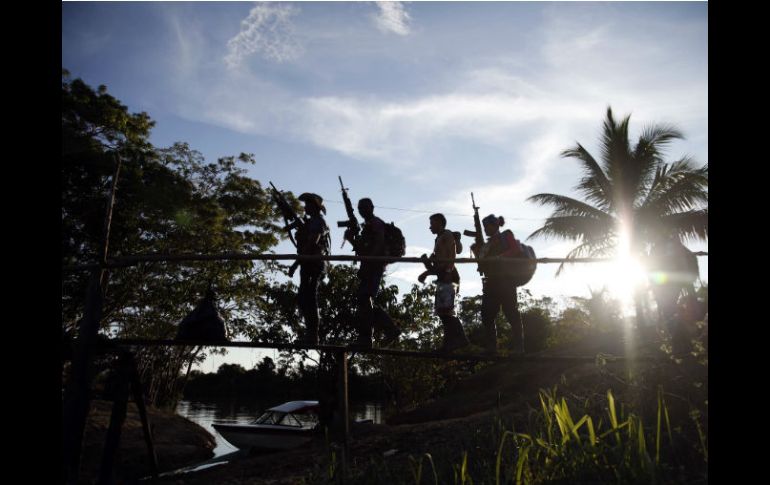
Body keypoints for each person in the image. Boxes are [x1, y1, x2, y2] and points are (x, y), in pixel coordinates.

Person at [344, 198, 401, 348]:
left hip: (374, 266)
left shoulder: (376, 223)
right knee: (363, 301)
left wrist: (370, 260)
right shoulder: (368, 226)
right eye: (360, 208)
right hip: (369, 265)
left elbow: (379, 243)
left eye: (364, 207)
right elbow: (363, 249)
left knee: (365, 298)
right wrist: (351, 240)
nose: (362, 210)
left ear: (371, 207)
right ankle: (386, 330)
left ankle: (369, 337)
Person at [471, 214, 525, 355]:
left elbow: (516, 250)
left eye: (487, 227)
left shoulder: (506, 235)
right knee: (487, 314)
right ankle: (492, 348)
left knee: (511, 313)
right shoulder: (487, 245)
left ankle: (519, 347)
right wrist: (477, 251)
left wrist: (499, 257)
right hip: (491, 282)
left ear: (495, 225)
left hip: (506, 280)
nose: (485, 230)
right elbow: (482, 264)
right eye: (484, 227)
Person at [418, 213, 470, 352]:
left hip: (449, 276)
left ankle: (460, 339)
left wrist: (447, 271)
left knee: (446, 311)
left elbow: (452, 255)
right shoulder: (439, 238)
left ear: (440, 223)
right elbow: (439, 264)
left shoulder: (447, 235)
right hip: (444, 275)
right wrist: (428, 267)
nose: (430, 227)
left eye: (432, 223)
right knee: (442, 311)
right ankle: (448, 343)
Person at [648, 233, 699, 355]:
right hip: (669, 281)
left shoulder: (665, 247)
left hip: (671, 281)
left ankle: (682, 344)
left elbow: (652, 270)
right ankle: (682, 344)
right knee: (669, 310)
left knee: (669, 310)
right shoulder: (662, 247)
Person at [294, 193, 330, 345]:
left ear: (315, 207)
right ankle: (310, 334)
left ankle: (313, 335)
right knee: (304, 298)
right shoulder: (310, 222)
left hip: (314, 263)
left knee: (309, 298)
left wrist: (296, 262)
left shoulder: (317, 222)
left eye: (308, 204)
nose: (305, 207)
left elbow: (312, 242)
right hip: (307, 262)